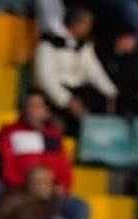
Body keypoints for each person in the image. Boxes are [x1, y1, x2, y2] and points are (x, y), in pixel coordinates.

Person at [32, 6, 117, 137]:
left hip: (80, 91)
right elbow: (46, 79)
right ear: (76, 24)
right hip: (57, 95)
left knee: (104, 105)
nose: (89, 27)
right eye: (87, 23)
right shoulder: (48, 45)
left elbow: (94, 71)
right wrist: (67, 100)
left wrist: (110, 91)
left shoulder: (84, 46)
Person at [95, 25, 138, 118]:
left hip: (129, 99)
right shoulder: (102, 56)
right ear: (121, 39)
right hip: (106, 99)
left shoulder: (133, 60)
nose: (134, 43)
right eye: (131, 40)